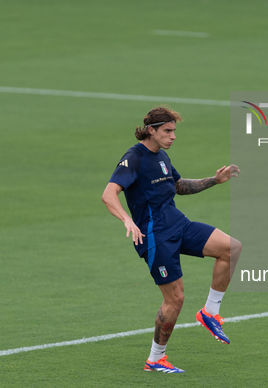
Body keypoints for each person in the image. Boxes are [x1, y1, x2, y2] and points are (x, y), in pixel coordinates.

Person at [101, 106, 242, 374]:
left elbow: (178, 186)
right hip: (155, 237)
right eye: (167, 131)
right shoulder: (134, 158)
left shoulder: (161, 156)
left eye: (174, 131)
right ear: (151, 131)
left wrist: (215, 180)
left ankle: (210, 312)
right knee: (175, 299)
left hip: (179, 225)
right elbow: (109, 195)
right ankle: (155, 359)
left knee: (231, 248)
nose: (173, 136)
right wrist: (127, 220)